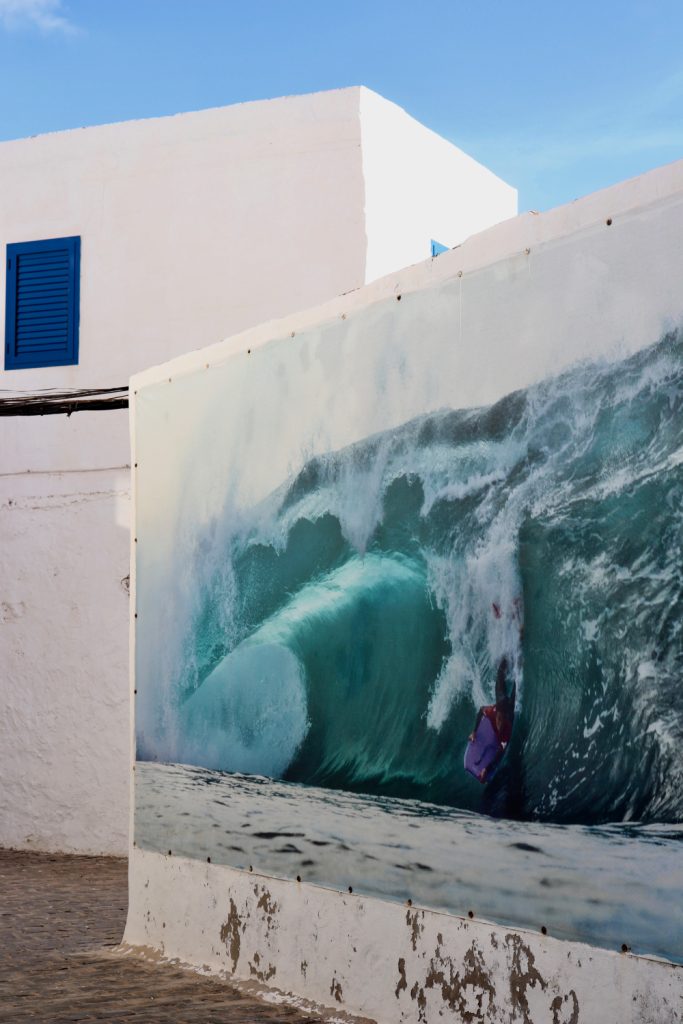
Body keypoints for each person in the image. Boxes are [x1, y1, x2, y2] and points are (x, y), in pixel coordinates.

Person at [468, 657, 516, 782]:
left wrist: (486, 769)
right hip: (500, 702)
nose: (498, 723)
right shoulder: (491, 712)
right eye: (498, 719)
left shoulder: (506, 730)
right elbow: (480, 710)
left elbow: (499, 753)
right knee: (500, 674)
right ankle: (507, 655)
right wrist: (474, 731)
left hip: (508, 709)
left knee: (515, 689)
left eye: (500, 720)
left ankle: (517, 666)